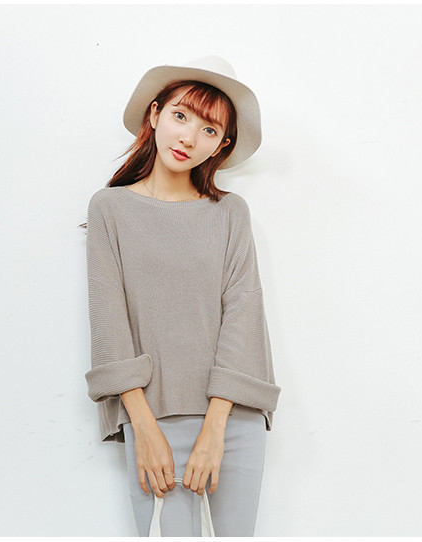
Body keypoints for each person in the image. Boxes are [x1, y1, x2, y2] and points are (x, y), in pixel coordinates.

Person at [81, 56, 280, 536]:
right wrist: (143, 428)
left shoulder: (230, 213)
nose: (190, 137)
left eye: (210, 130)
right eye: (180, 115)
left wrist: (216, 427)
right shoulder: (110, 208)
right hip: (152, 413)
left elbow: (243, 313)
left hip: (233, 414)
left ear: (222, 145)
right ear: (154, 114)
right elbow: (109, 322)